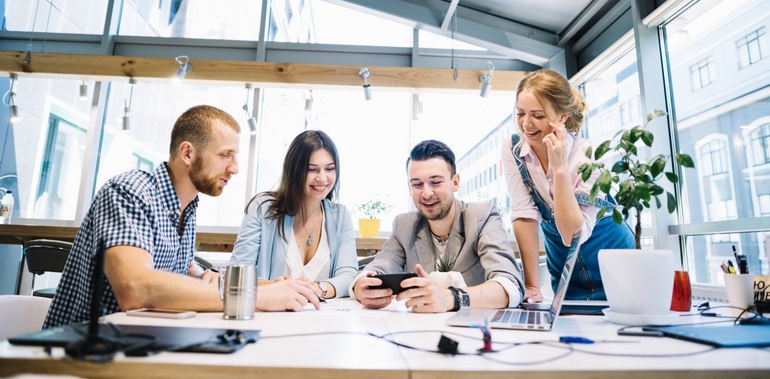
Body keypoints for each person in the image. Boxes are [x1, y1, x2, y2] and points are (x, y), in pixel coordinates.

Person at [44, 105, 319, 328]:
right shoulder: (129, 191)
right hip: (82, 354)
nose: (234, 168)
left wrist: (273, 286)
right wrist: (251, 296)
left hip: (136, 342)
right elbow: (135, 288)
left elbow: (195, 278)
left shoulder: (186, 206)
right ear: (187, 152)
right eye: (226, 155)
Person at [501, 69, 634, 302]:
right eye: (520, 113)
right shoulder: (514, 150)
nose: (525, 123)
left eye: (538, 116)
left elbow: (571, 233)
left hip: (614, 263)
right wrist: (532, 286)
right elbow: (524, 215)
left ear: (562, 117)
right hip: (565, 268)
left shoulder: (589, 157)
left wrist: (560, 167)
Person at [352, 140, 524, 312]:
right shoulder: (404, 225)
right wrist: (361, 286)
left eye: (435, 182)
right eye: (417, 184)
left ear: (455, 182)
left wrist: (452, 298)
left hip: (474, 328)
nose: (426, 193)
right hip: (419, 329)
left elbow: (509, 285)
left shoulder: (482, 217)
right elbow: (379, 267)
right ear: (409, 188)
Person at [229, 130, 357, 300]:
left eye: (329, 169)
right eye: (312, 170)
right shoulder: (263, 209)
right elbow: (238, 274)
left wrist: (319, 288)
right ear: (294, 170)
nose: (322, 178)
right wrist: (276, 288)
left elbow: (348, 275)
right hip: (270, 316)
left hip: (321, 318)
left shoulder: (341, 216)